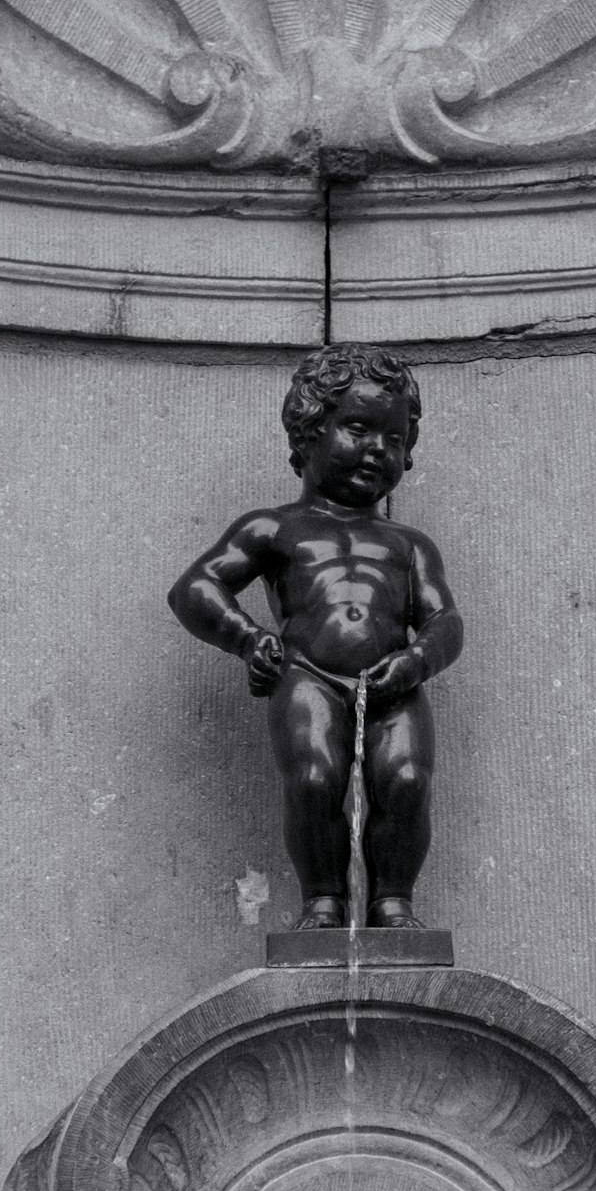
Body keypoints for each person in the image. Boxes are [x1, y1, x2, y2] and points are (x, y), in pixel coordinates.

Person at [168, 344, 463, 930]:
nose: (378, 449)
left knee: (405, 781)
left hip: (394, 684)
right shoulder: (275, 527)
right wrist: (247, 639)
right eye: (358, 427)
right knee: (312, 778)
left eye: (395, 439)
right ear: (307, 431)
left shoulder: (409, 545)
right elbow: (195, 588)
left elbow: (445, 620)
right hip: (308, 676)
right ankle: (323, 902)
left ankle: (393, 904)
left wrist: (417, 661)